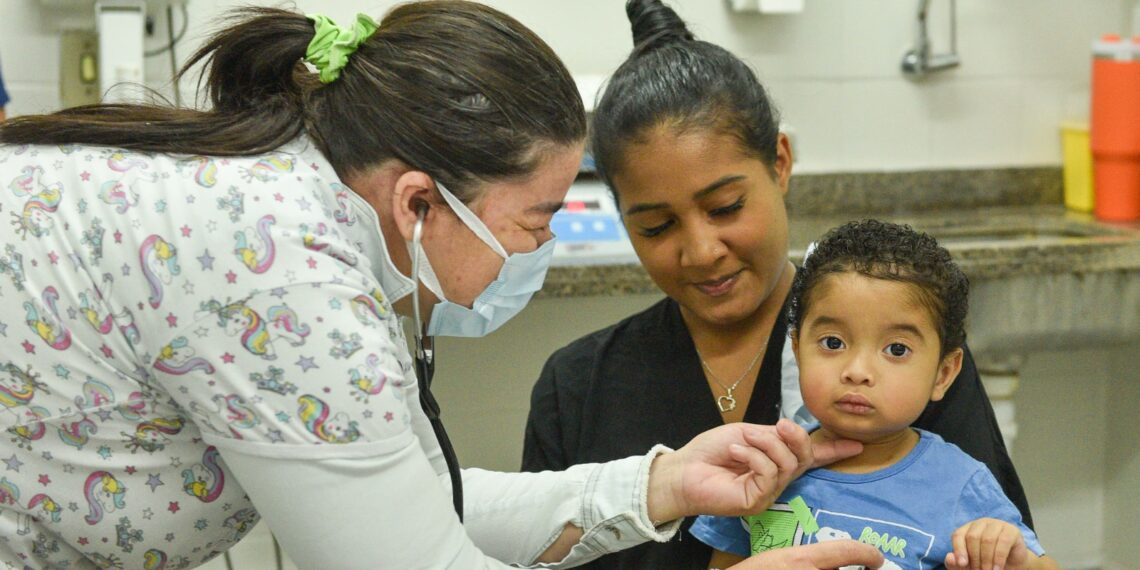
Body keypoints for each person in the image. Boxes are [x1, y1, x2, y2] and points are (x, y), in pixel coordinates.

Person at [0, 4, 882, 569]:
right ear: (422, 202)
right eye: (534, 220)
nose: (544, 244)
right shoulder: (282, 277)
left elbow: (427, 511)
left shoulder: (311, 225)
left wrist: (663, 485)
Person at [522, 1, 1034, 568]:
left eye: (725, 206)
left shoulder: (896, 355)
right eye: (656, 225)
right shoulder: (577, 388)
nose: (701, 251)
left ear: (781, 164)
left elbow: (999, 552)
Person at [689, 220, 1057, 570]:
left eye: (896, 350)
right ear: (798, 350)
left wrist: (1015, 558)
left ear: (943, 374)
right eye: (833, 342)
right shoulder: (764, 468)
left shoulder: (960, 484)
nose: (858, 371)